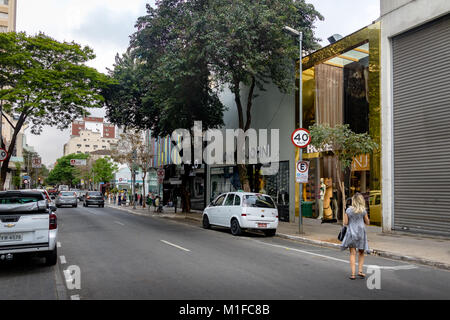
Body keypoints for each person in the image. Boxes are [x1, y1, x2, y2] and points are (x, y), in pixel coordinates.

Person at [341, 193, 370, 280]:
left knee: (352, 253)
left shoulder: (348, 210)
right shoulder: (363, 211)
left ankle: (353, 274)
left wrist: (345, 215)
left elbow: (345, 223)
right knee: (361, 253)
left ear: (353, 201)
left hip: (351, 233)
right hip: (361, 233)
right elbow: (367, 222)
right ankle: (360, 271)